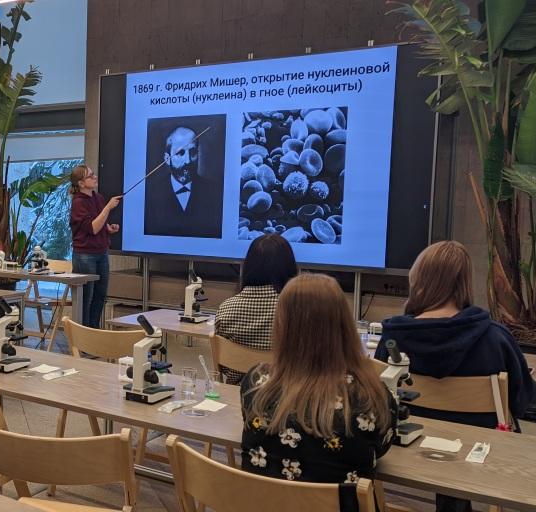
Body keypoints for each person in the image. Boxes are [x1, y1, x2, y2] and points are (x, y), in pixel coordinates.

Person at [241, 273, 396, 485]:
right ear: (344, 325)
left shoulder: (255, 383)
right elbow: (381, 448)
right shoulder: (371, 396)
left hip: (259, 501)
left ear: (282, 325)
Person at [375, 241, 535, 429]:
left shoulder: (392, 338)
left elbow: (379, 396)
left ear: (417, 280)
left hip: (409, 439)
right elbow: (521, 402)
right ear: (465, 284)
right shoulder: (496, 339)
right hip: (482, 444)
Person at [214, 234, 298, 384]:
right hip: (287, 392)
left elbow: (224, 367)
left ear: (248, 266)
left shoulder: (226, 308)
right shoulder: (298, 310)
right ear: (289, 267)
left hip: (238, 392)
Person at [144, 125, 223, 238]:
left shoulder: (216, 193)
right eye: (180, 153)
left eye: (193, 152)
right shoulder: (149, 194)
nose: (188, 160)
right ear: (167, 158)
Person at [69, 165, 120, 329]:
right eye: (91, 176)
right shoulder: (78, 203)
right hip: (85, 255)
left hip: (101, 252)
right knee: (86, 297)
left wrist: (108, 228)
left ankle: (94, 330)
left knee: (100, 295)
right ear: (81, 183)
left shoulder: (98, 198)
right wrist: (108, 208)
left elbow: (99, 223)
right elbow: (92, 228)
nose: (95, 177)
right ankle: (83, 333)